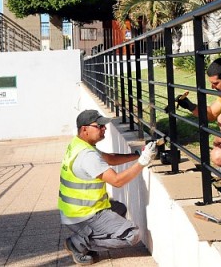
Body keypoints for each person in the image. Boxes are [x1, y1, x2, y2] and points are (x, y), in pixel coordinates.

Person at [60, 109, 156, 265]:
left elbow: (109, 158)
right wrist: (143, 162)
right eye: (99, 126)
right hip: (84, 215)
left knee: (119, 209)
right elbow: (117, 181)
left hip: (74, 212)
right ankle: (78, 243)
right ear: (85, 129)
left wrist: (139, 154)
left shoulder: (79, 144)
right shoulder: (87, 156)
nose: (104, 128)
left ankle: (86, 237)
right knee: (133, 235)